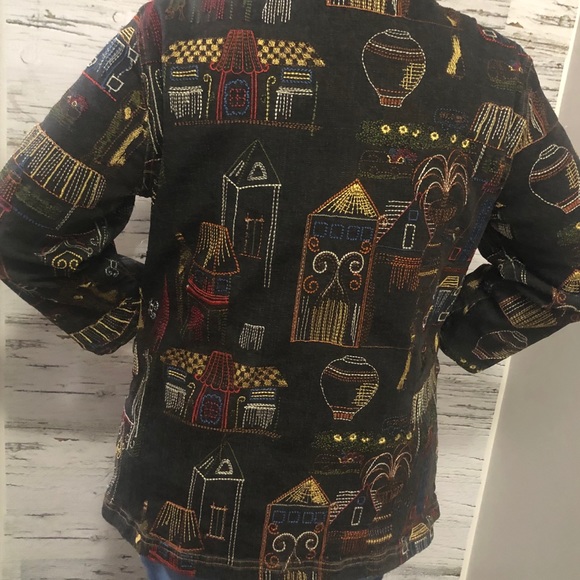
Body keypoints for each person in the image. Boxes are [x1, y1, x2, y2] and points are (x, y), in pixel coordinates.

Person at [1, 0, 579, 578]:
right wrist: (443, 331)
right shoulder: (497, 71)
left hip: (183, 478)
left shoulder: (174, 30)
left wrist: (138, 313)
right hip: (361, 497)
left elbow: (22, 225)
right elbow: (568, 266)